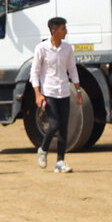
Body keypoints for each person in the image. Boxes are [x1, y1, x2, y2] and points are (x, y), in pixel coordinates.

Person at [30, 16, 81, 173]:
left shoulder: (67, 48)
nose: (66, 32)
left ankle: (60, 162)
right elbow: (35, 72)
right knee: (54, 125)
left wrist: (78, 91)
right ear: (54, 31)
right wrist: (38, 94)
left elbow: (72, 69)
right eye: (63, 29)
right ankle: (43, 149)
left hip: (64, 92)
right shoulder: (42, 48)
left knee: (64, 127)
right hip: (49, 92)